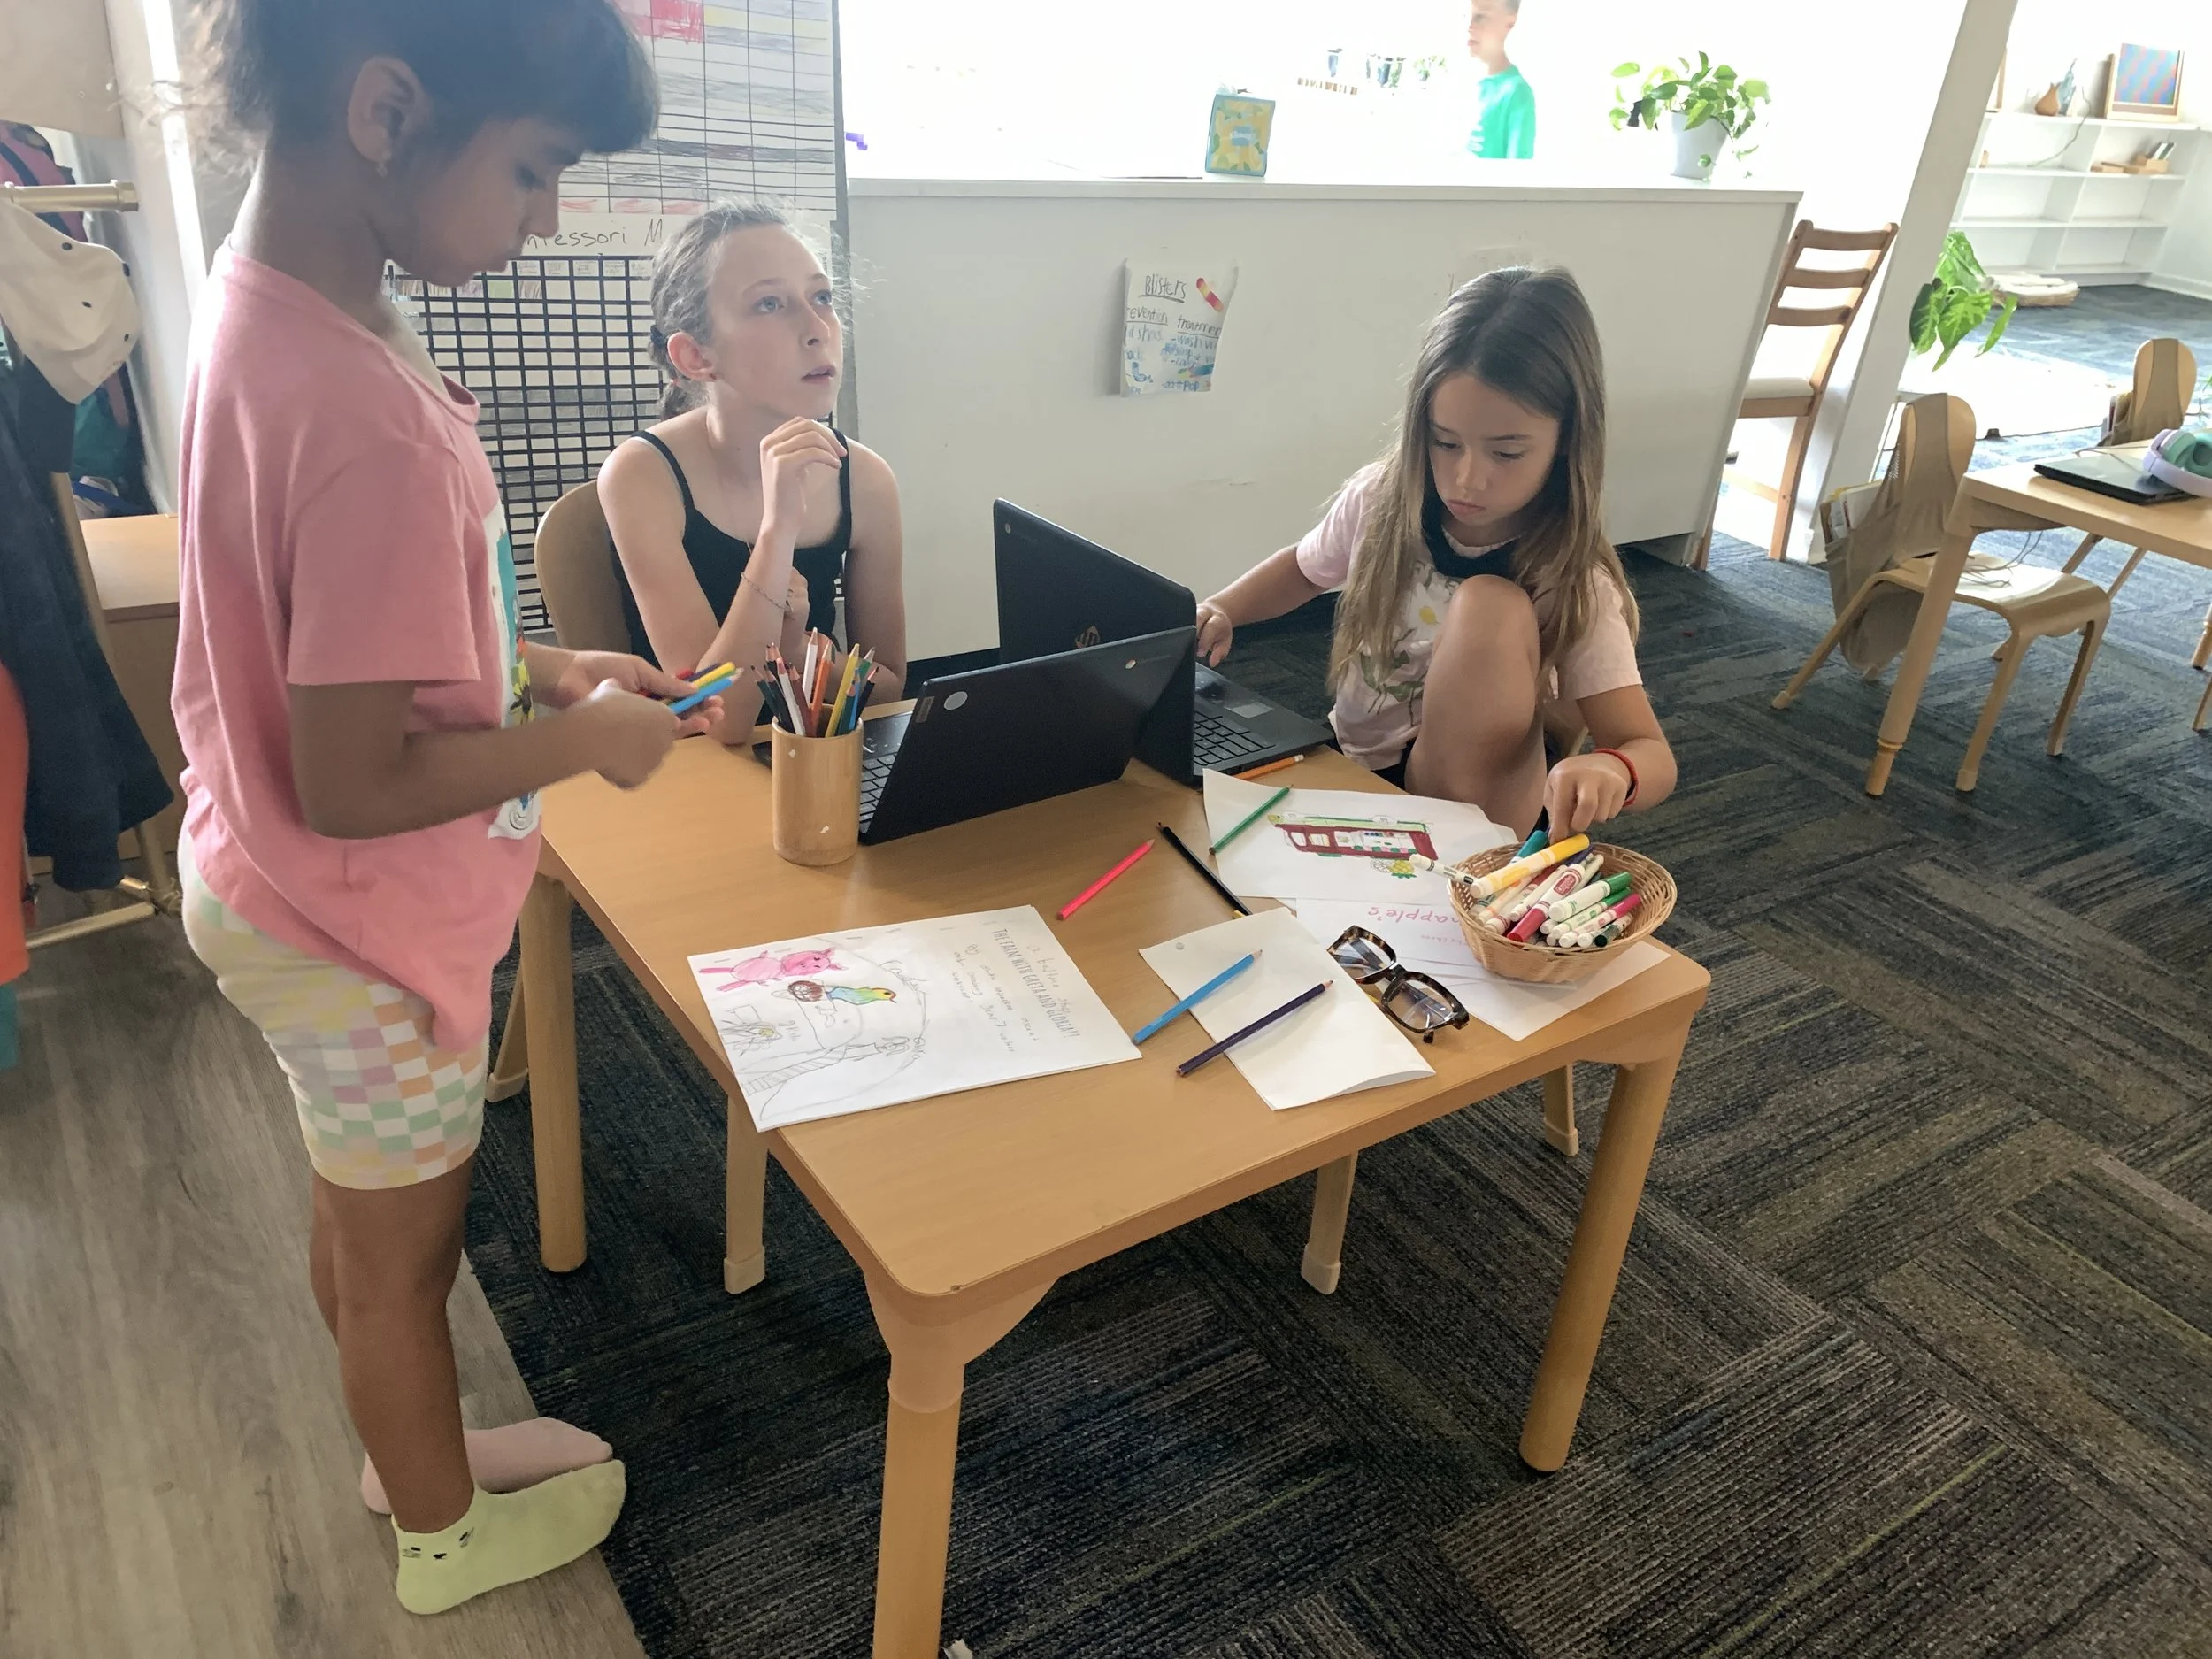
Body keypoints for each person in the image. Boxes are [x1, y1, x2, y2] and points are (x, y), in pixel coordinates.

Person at [175, 0, 721, 1616]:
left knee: (362, 1220)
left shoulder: (290, 309)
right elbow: (355, 779)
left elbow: (378, 635)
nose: (547, 220)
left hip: (266, 879)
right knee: (402, 1262)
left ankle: (398, 1436)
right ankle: (436, 1530)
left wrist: (540, 668)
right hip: (348, 925)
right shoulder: (368, 418)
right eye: (537, 170)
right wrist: (585, 744)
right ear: (387, 112)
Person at [1194, 267, 1675, 839]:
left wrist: (1614, 768)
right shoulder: (1383, 498)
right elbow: (1305, 568)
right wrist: (1224, 608)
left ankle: (1452, 857)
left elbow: (1650, 752)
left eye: (1506, 454)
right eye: (1445, 442)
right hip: (1361, 765)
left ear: (1568, 440)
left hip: (1481, 805)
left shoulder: (1572, 577)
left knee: (1488, 606)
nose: (1466, 479)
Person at [600, 203, 908, 720]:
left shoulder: (866, 479)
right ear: (697, 356)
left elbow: (890, 689)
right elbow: (715, 713)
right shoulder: (641, 475)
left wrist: (797, 649)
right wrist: (778, 531)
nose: (818, 329)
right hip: (683, 757)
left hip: (809, 751)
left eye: (822, 297)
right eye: (769, 304)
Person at [1464, 0, 1537, 159]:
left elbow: (1519, 173)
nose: (1469, 26)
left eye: (1481, 17)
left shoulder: (1517, 94)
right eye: (1467, 15)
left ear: (1509, 23)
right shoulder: (1462, 85)